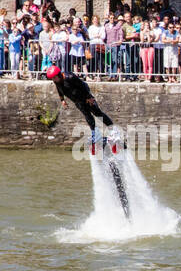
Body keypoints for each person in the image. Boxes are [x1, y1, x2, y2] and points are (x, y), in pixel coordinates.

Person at [46, 63, 128, 216]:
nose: (55, 80)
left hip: (86, 97)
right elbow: (59, 89)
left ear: (59, 74)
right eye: (53, 79)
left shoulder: (69, 76)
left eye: (55, 77)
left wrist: (90, 98)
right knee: (88, 119)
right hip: (77, 101)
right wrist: (62, 99)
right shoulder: (57, 82)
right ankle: (95, 134)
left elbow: (83, 86)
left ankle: (113, 131)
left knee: (98, 114)